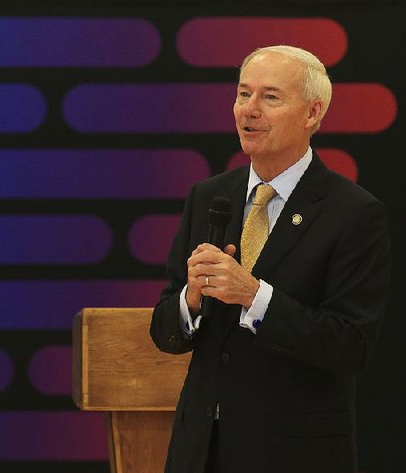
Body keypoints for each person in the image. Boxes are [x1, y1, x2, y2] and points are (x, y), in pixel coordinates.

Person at [149, 45, 391, 473]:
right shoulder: (208, 197)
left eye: (270, 97)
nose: (249, 110)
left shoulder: (353, 212)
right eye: (243, 94)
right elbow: (165, 330)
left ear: (312, 113)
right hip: (201, 450)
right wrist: (190, 299)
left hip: (294, 453)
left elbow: (350, 345)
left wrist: (254, 296)